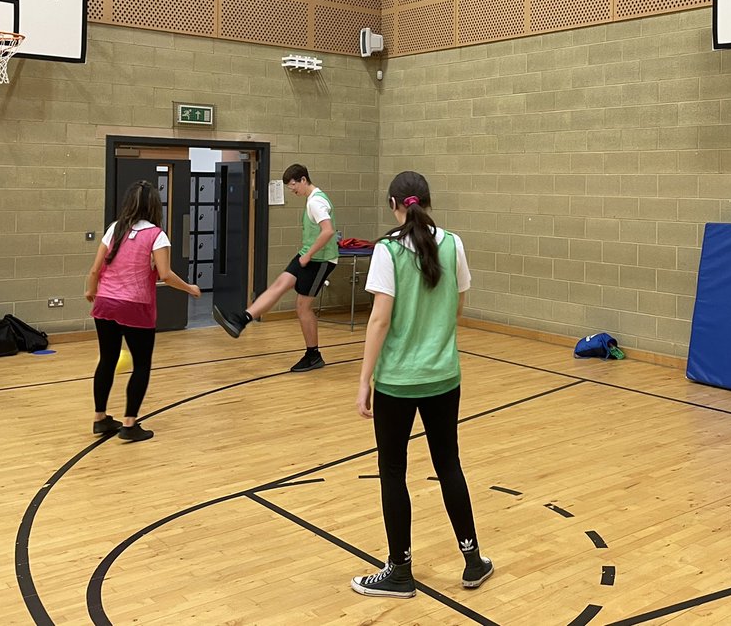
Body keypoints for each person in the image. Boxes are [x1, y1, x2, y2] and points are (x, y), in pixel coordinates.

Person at [351, 171, 492, 598]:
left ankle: (399, 571)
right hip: (444, 377)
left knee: (393, 472)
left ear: (393, 203)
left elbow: (379, 319)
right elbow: (459, 303)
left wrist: (364, 381)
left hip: (397, 381)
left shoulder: (388, 249)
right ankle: (472, 561)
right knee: (448, 464)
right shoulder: (453, 243)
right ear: (427, 202)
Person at [85, 180, 200, 442]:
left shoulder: (114, 229)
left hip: (105, 303)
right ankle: (129, 424)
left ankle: (100, 418)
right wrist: (190, 288)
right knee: (141, 365)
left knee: (107, 360)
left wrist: (91, 290)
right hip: (135, 306)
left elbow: (94, 269)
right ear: (154, 206)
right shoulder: (157, 235)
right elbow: (166, 274)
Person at [212, 163, 337, 373]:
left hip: (320, 260)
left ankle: (313, 355)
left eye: (293, 186)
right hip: (308, 255)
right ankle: (242, 320)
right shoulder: (313, 199)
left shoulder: (316, 202)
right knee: (280, 284)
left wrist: (307, 255)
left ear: (303, 180)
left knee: (302, 307)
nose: (293, 191)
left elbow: (328, 231)